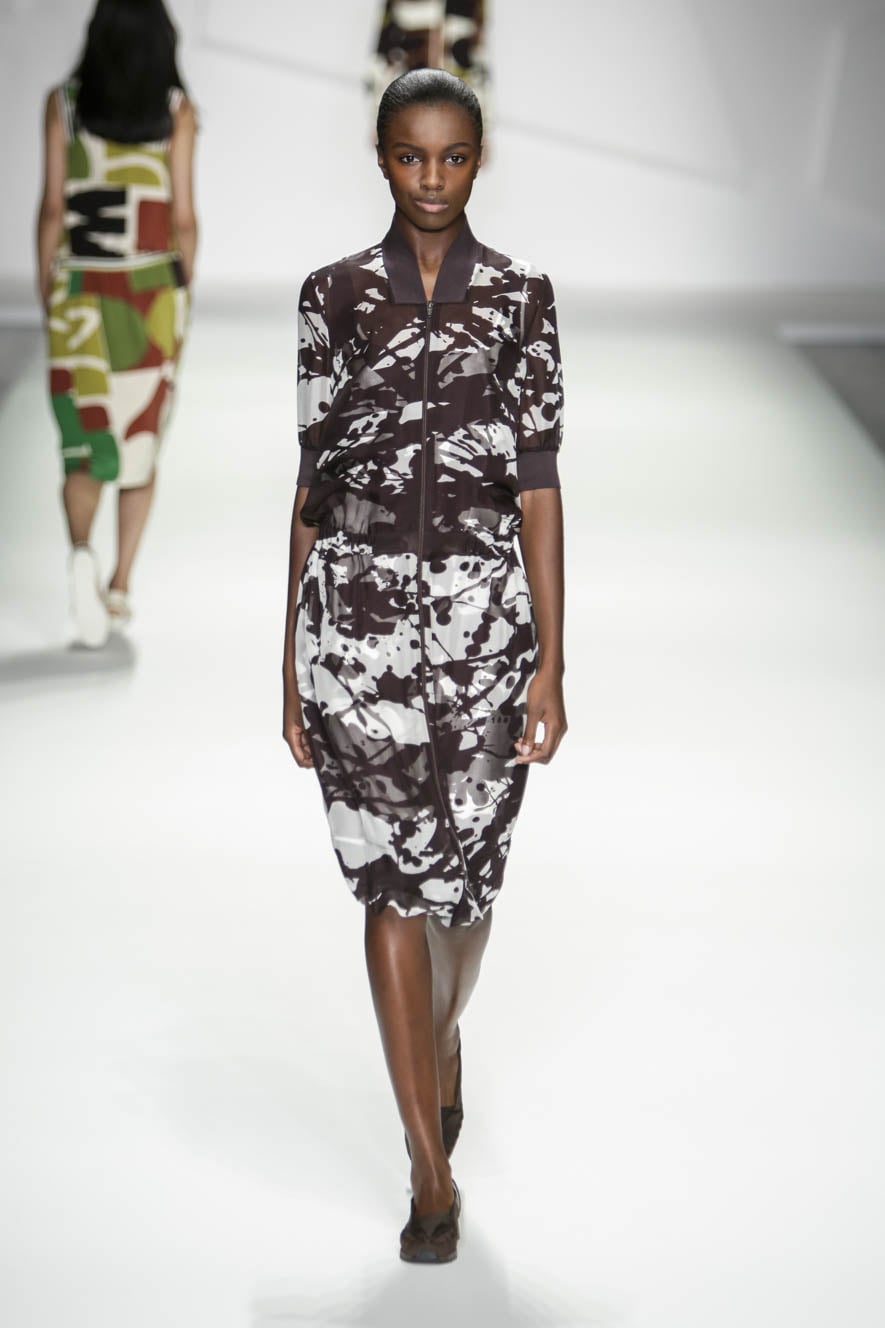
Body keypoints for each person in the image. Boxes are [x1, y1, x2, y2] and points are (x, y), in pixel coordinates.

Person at [282, 68, 566, 1264]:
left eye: (452, 156)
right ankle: (429, 1166)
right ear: (381, 155)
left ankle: (441, 1035)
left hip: (484, 634)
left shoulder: (521, 297)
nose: (431, 178)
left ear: (479, 158)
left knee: (469, 892)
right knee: (391, 887)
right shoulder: (333, 296)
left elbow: (539, 485)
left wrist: (552, 664)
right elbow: (310, 484)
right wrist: (287, 662)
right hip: (356, 634)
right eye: (410, 155)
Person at [36, 0, 197, 648]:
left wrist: (50, 293)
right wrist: (183, 300)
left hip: (79, 289)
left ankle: (82, 551)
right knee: (139, 444)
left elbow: (52, 210)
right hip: (151, 291)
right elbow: (183, 218)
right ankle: (121, 585)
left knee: (86, 441)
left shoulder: (63, 105)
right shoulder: (176, 112)